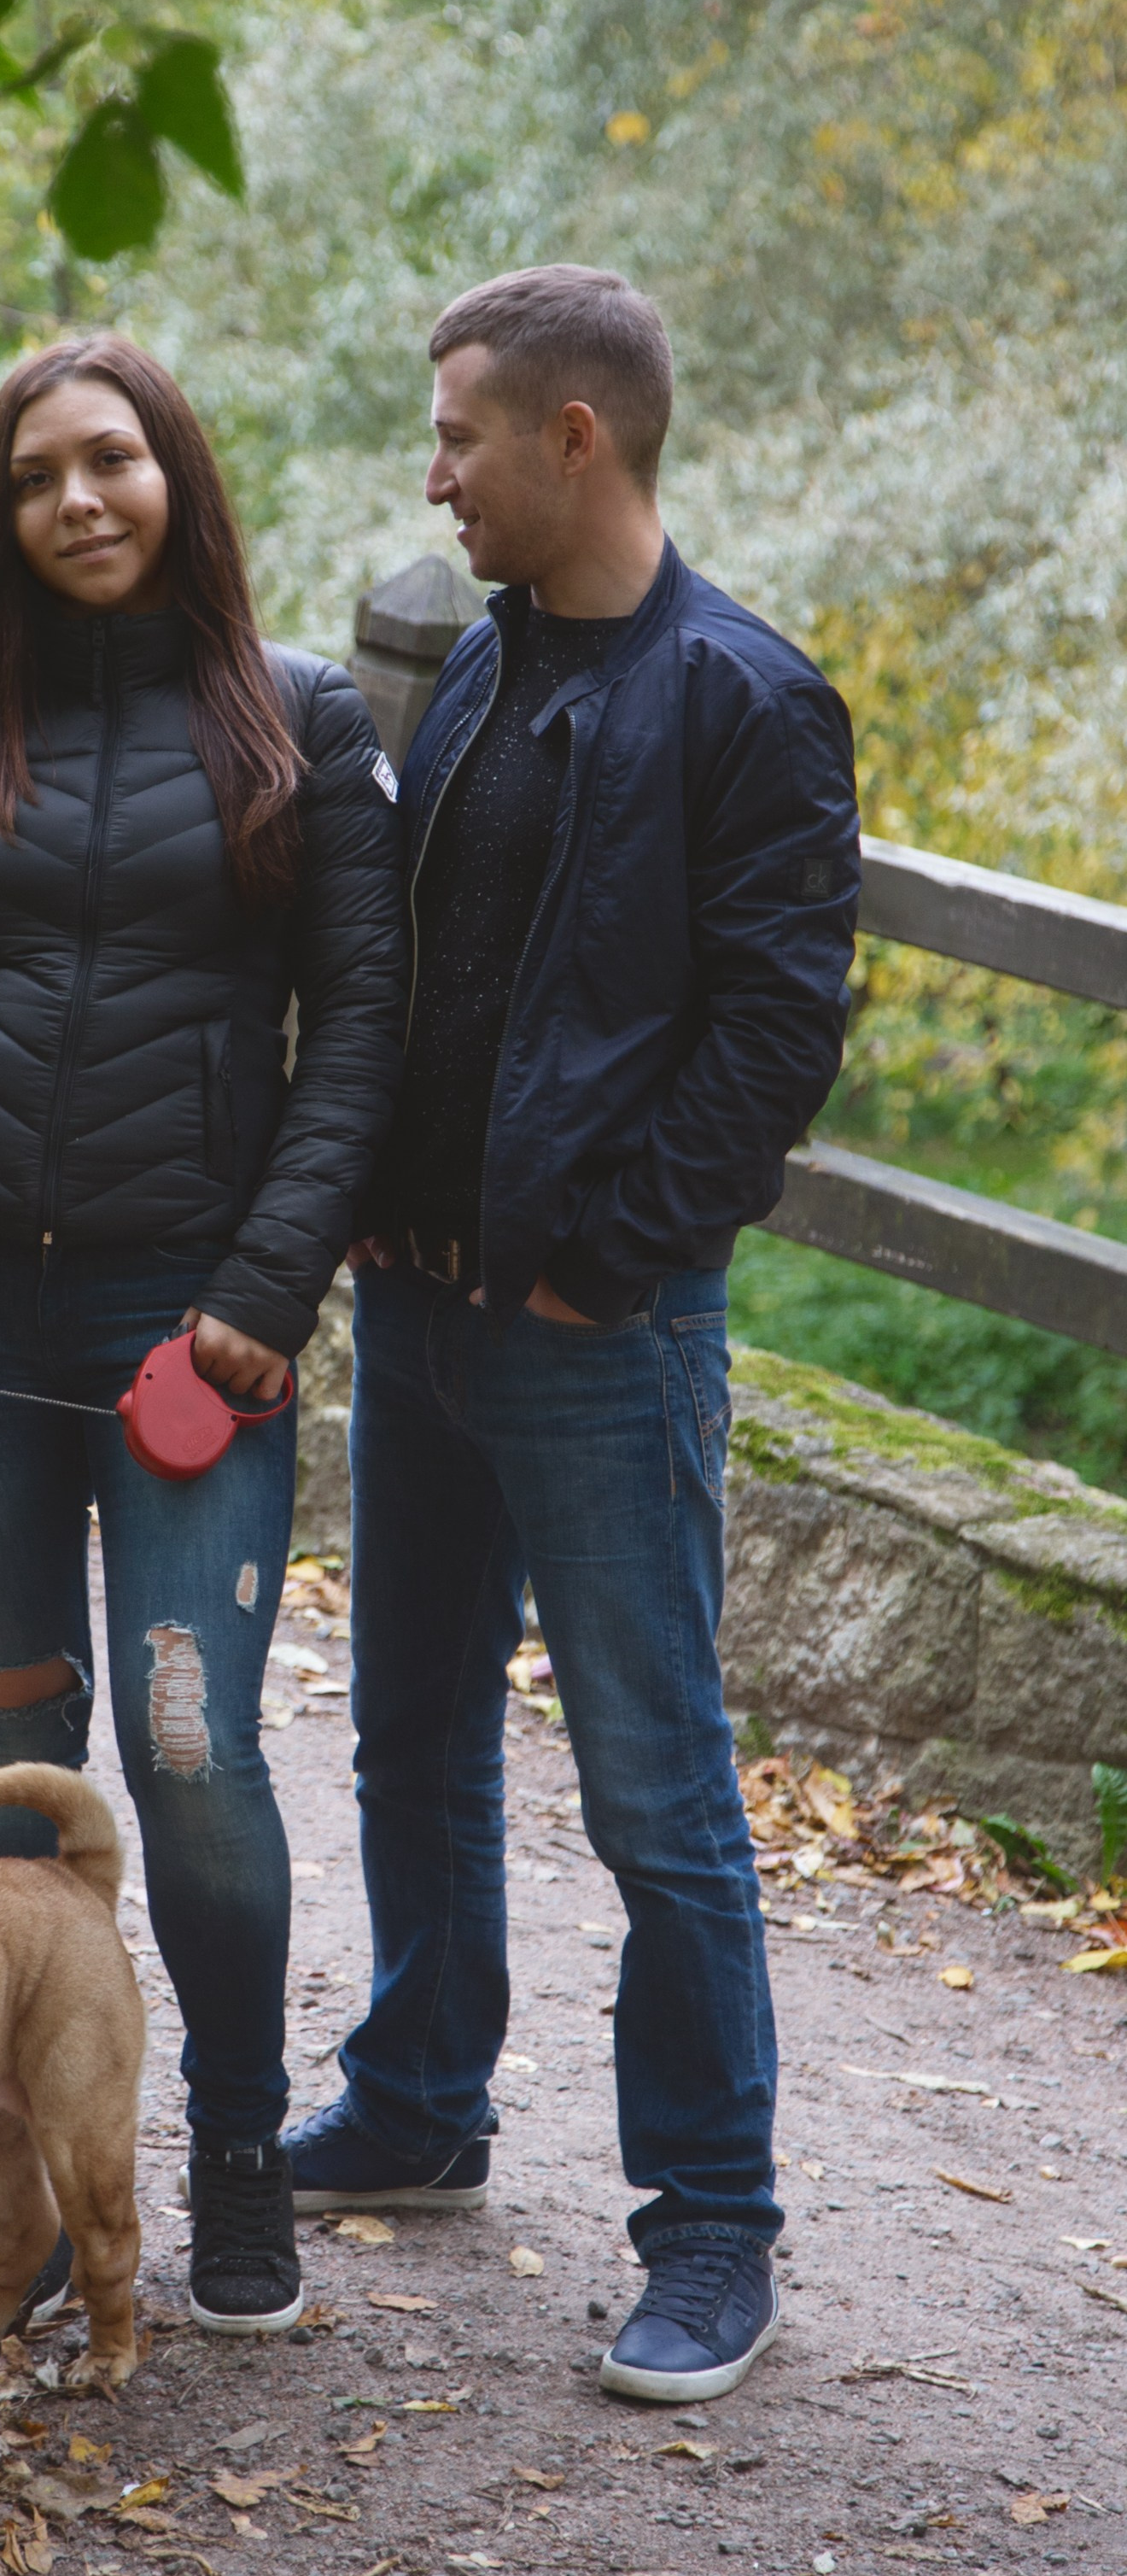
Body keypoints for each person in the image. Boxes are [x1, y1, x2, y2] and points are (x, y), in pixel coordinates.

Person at [282, 265, 860, 2403]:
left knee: (656, 1788)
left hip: (593, 1334)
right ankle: (420, 2103)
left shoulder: (745, 697)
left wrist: (599, 1264)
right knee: (411, 1736)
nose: (435, 477)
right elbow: (436, 973)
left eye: (460, 436)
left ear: (573, 437)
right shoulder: (489, 660)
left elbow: (773, 1033)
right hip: (419, 1310)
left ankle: (714, 2226)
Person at [0, 334, 407, 2335]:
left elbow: (362, 1036)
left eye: (113, 460)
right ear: (1, 513)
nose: (78, 498)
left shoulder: (297, 722)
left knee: (190, 1749)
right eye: (36, 473)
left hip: (188, 1338)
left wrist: (263, 1293)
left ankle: (234, 2146)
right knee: (8, 1757)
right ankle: (38, 2196)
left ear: (177, 479)